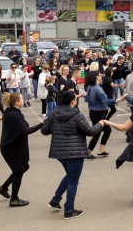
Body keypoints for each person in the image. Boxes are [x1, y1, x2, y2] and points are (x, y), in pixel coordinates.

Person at [41, 91, 104, 219]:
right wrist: (100, 124)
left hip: (59, 152)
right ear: (72, 101)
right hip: (75, 152)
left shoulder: (54, 113)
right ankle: (69, 209)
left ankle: (55, 199)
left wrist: (47, 122)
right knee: (73, 181)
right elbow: (90, 131)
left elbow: (44, 131)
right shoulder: (77, 115)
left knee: (70, 176)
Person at [0, 92, 43, 206]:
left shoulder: (13, 112)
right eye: (21, 99)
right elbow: (25, 131)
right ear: (17, 102)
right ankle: (14, 199)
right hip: (10, 148)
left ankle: (4, 187)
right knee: (18, 171)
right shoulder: (13, 115)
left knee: (24, 167)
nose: (23, 100)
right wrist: (41, 124)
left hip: (14, 146)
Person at [85, 71, 117, 159]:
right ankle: (88, 153)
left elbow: (86, 99)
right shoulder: (97, 88)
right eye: (99, 75)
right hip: (99, 112)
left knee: (107, 130)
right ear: (96, 77)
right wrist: (118, 100)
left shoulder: (90, 87)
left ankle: (101, 150)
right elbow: (106, 100)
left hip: (94, 111)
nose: (101, 76)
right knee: (97, 133)